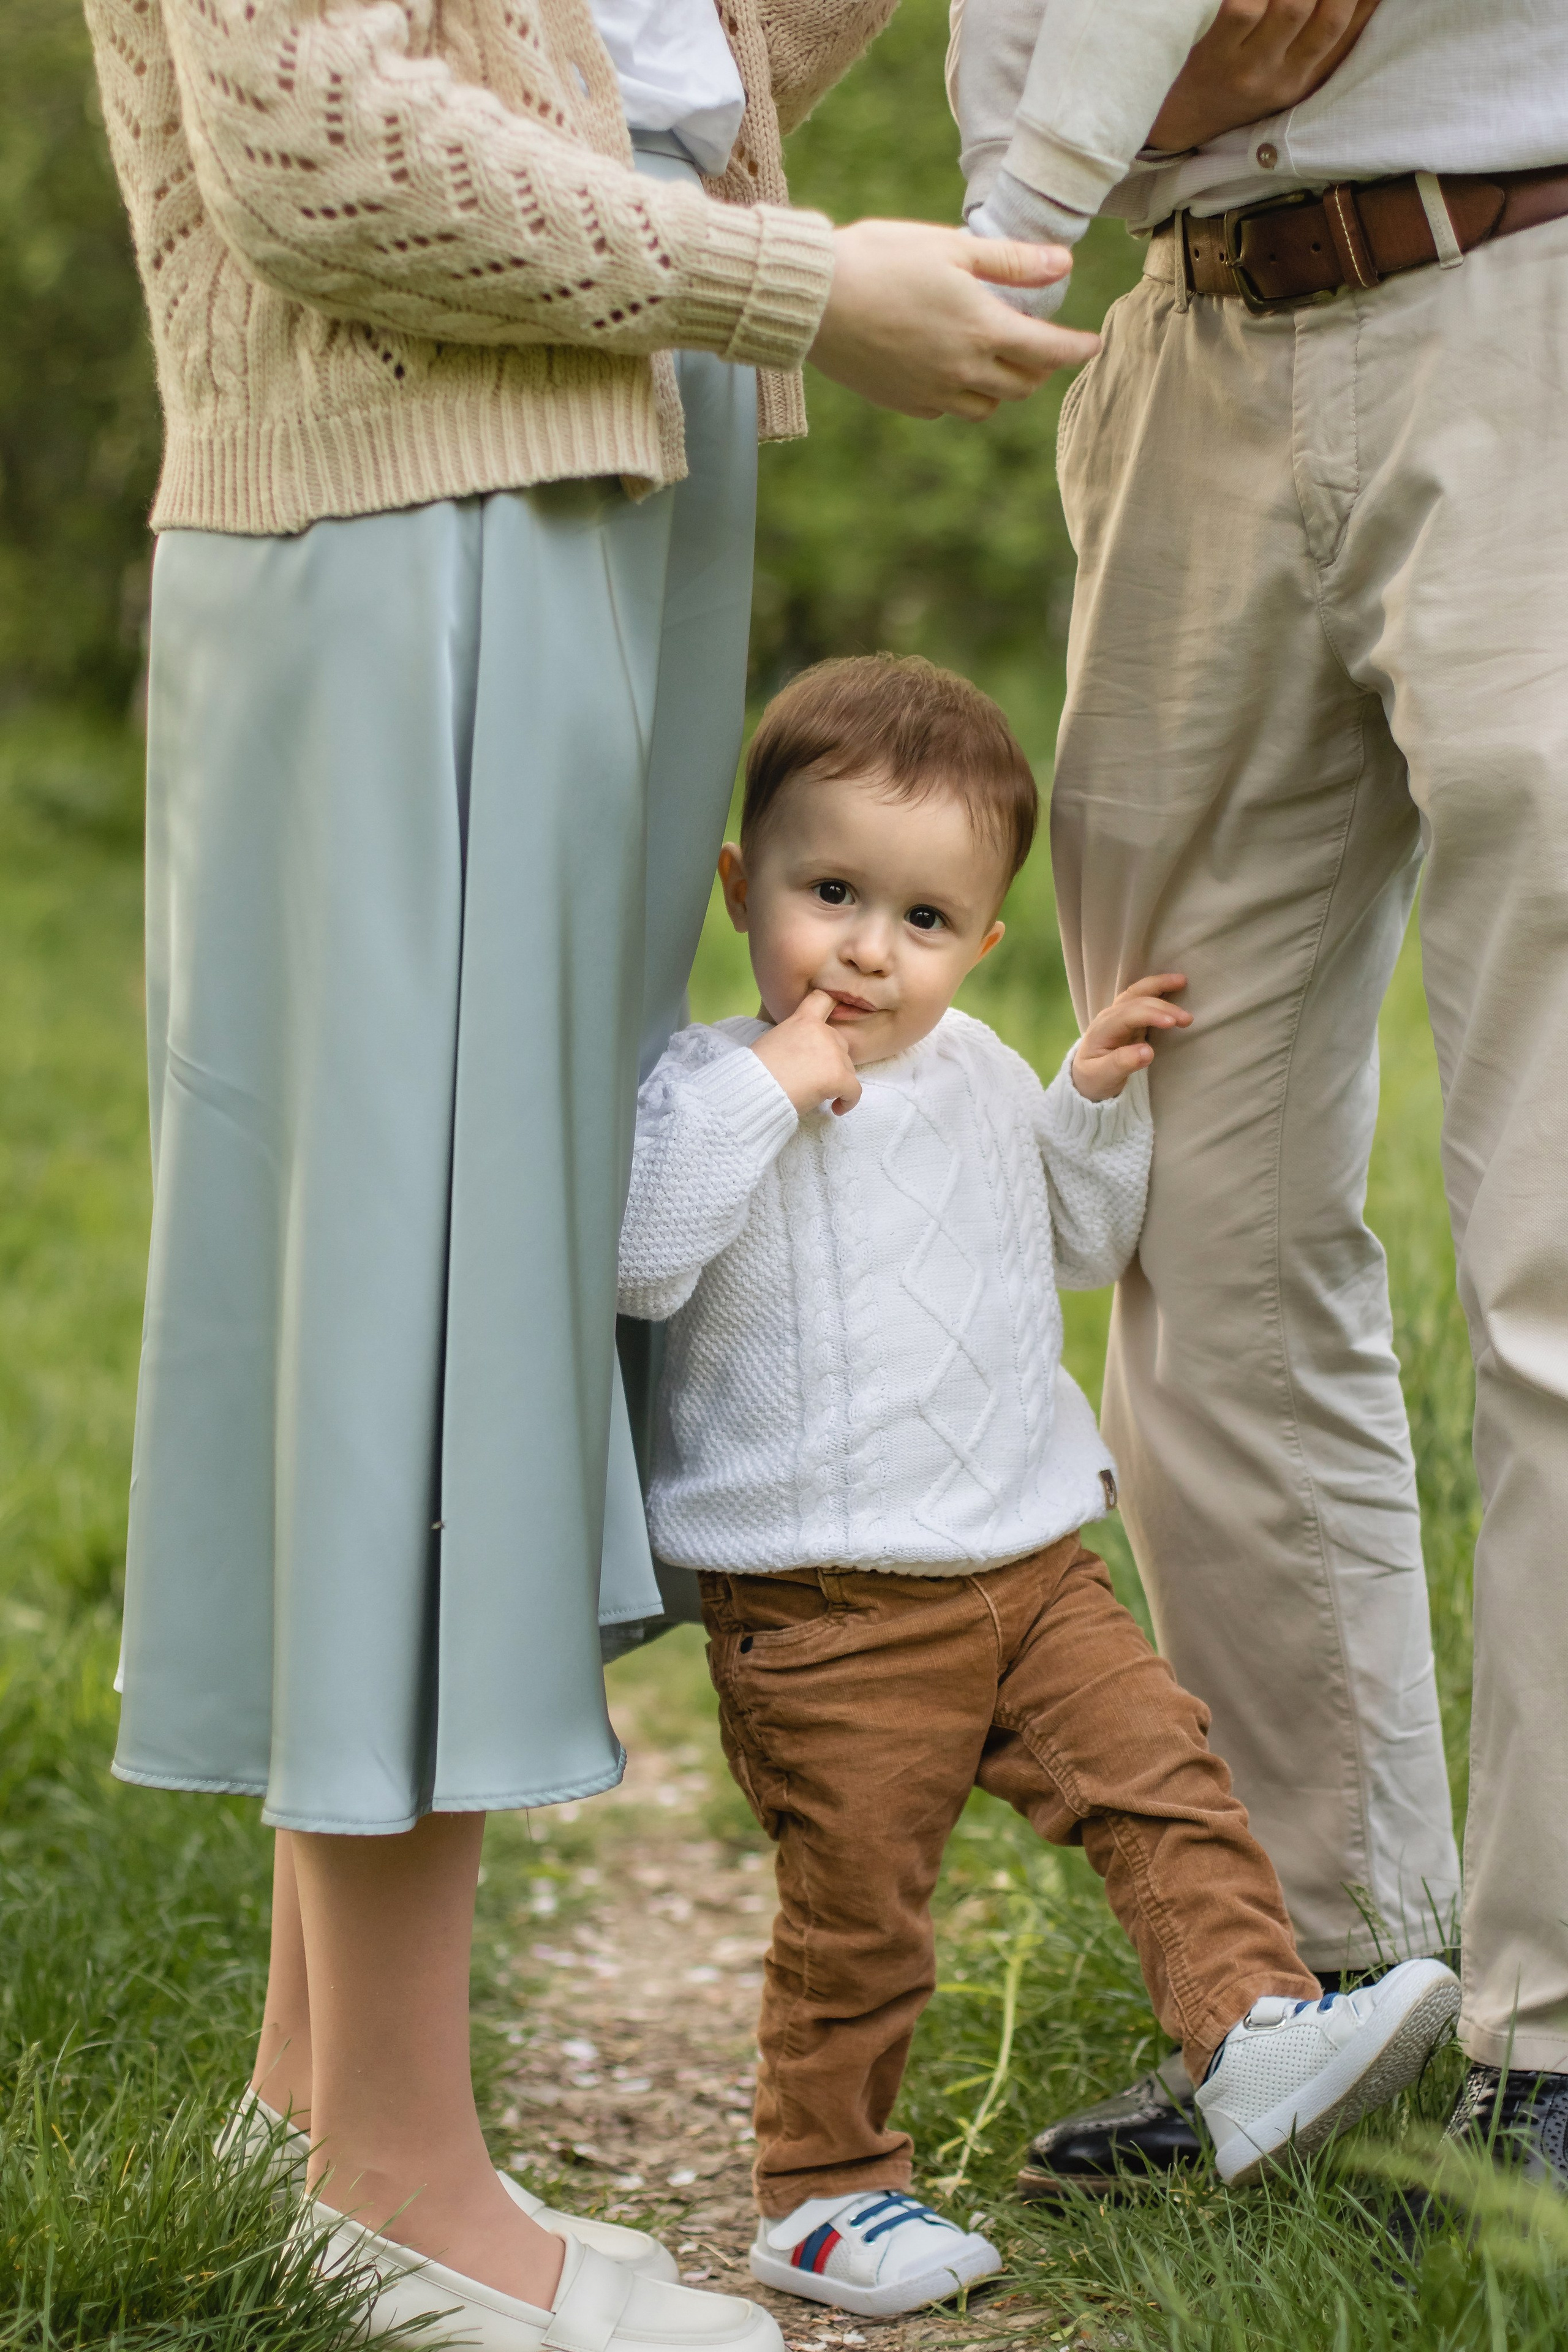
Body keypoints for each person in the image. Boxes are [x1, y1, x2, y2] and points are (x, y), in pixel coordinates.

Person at [81, 0, 1105, 2329]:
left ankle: (302, 2106)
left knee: (462, 1276)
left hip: (605, 436)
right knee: (410, 1297)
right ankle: (402, 2189)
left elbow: (656, 44)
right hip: (414, 477)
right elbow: (312, 136)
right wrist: (801, 285)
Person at [615, 653, 1460, 2317]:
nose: (870, 948)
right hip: (827, 1594)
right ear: (742, 887)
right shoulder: (706, 1085)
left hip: (1029, 1560)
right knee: (862, 1908)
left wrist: (1084, 1102)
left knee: (1168, 1782)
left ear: (981, 942)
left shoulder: (985, 1071)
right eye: (831, 893)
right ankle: (824, 2188)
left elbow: (1074, 1244)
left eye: (925, 920)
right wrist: (766, 1095)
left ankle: (1252, 2037)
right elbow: (641, 1259)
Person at [949, 0, 1568, 2205]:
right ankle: (1326, 1990)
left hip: (1527, 302)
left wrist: (1051, 166)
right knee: (1178, 1212)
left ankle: (1556, 2039)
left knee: (1558, 1270)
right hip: (1191, 347)